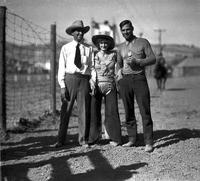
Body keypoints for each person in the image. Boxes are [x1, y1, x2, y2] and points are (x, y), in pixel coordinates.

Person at [116, 20, 156, 152]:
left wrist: (138, 61)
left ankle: (149, 142)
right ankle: (132, 138)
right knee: (128, 110)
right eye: (123, 30)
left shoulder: (143, 42)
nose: (125, 32)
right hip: (125, 81)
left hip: (139, 78)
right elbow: (119, 64)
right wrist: (119, 72)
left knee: (144, 110)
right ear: (121, 31)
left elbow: (152, 59)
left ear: (132, 28)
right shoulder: (120, 47)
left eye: (128, 29)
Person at [56, 20, 93, 148]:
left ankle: (83, 139)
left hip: (84, 80)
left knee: (84, 110)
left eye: (82, 31)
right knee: (66, 110)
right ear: (72, 33)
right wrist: (62, 86)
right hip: (70, 79)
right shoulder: (65, 48)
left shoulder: (88, 49)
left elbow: (92, 68)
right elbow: (61, 68)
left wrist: (92, 82)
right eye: (77, 31)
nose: (79, 33)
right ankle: (61, 140)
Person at [89, 34, 122, 146]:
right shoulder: (93, 55)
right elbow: (90, 68)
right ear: (98, 44)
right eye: (101, 43)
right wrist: (92, 81)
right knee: (94, 112)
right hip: (96, 85)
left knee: (112, 111)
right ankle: (94, 137)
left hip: (110, 85)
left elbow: (119, 67)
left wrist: (119, 75)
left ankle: (115, 138)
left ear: (109, 44)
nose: (103, 45)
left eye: (106, 43)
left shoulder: (114, 54)